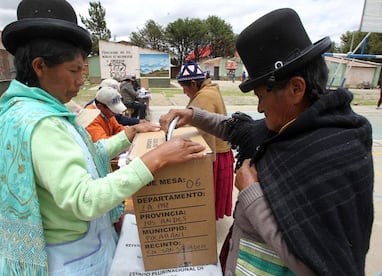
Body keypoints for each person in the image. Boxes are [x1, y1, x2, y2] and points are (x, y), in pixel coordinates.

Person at [0, 0, 206, 275]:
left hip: (79, 245)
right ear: (39, 66)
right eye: (74, 71)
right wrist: (155, 159)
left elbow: (85, 155)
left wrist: (129, 133)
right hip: (71, 258)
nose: (80, 81)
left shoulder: (29, 111)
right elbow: (84, 198)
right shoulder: (41, 123)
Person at [160, 8, 373, 276]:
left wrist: (250, 193)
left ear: (296, 89)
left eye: (261, 95)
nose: (259, 108)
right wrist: (191, 114)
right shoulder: (292, 126)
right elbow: (240, 129)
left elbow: (314, 265)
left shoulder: (333, 154)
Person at [176, 60, 234, 220]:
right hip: (222, 147)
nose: (184, 92)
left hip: (215, 152)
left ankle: (204, 220)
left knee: (208, 193)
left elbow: (202, 132)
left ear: (193, 84)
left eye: (184, 88)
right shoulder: (209, 90)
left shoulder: (204, 97)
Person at [85, 86, 156, 142]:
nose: (115, 113)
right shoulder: (90, 118)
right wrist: (133, 130)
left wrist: (134, 131)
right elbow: (104, 146)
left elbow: (118, 129)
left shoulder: (107, 114)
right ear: (100, 106)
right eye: (112, 110)